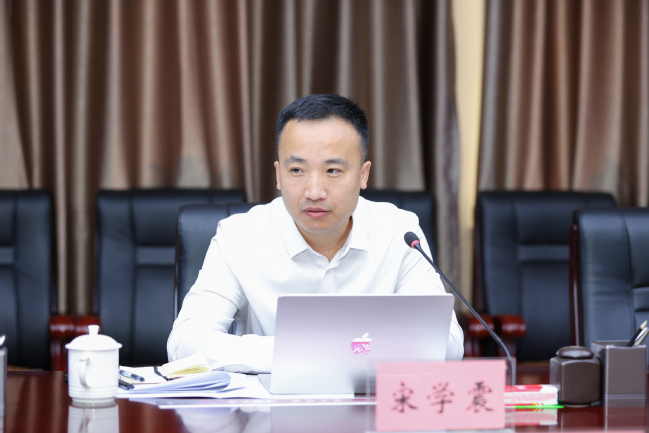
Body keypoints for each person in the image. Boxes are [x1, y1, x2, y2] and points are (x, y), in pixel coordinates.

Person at [167, 94, 464, 372]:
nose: (314, 191)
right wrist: (300, 352)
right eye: (297, 170)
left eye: (332, 171)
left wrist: (334, 352)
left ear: (363, 175)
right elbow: (183, 343)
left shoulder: (399, 232)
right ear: (278, 174)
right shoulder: (238, 236)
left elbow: (447, 342)